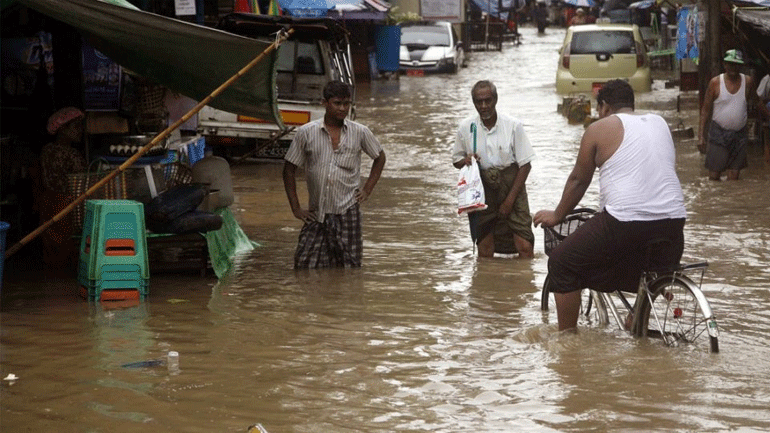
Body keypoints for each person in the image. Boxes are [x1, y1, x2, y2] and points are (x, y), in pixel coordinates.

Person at [533, 80, 687, 332]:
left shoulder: (599, 128)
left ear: (604, 107)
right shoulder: (659, 124)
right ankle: (637, 315)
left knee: (562, 263)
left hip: (624, 223)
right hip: (674, 223)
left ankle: (567, 340)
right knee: (647, 268)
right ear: (631, 103)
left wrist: (557, 215)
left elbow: (579, 180)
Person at [283, 80, 386, 268]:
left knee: (350, 267)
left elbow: (379, 158)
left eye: (346, 103)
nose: (342, 108)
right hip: (316, 213)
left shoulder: (360, 132)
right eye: (337, 103)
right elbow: (289, 170)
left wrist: (367, 190)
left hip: (347, 211)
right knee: (304, 266)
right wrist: (296, 208)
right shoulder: (306, 132)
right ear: (325, 103)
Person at [452, 80, 535, 259]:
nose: (484, 106)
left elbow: (525, 165)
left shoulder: (513, 126)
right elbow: (456, 160)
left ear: (495, 100)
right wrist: (466, 161)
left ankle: (523, 285)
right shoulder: (466, 128)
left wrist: (509, 200)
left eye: (488, 100)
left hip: (512, 185)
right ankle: (486, 284)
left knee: (525, 245)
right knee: (484, 246)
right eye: (479, 102)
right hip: (481, 189)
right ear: (473, 103)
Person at [37, 106, 87, 271]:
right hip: (66, 206)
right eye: (76, 127)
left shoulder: (47, 150)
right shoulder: (71, 155)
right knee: (66, 250)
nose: (80, 131)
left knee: (52, 252)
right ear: (63, 129)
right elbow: (82, 182)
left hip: (47, 203)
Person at [698, 49, 760, 180]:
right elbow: (705, 110)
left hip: (739, 135)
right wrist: (700, 137)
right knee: (714, 176)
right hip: (718, 134)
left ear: (741, 66)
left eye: (737, 64)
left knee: (734, 177)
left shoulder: (748, 82)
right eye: (730, 64)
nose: (733, 67)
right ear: (724, 64)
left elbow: (757, 101)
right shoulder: (715, 83)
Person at [757, 72, 770, 164]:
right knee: (768, 141)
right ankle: (767, 165)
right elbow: (759, 99)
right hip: (768, 111)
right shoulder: (767, 79)